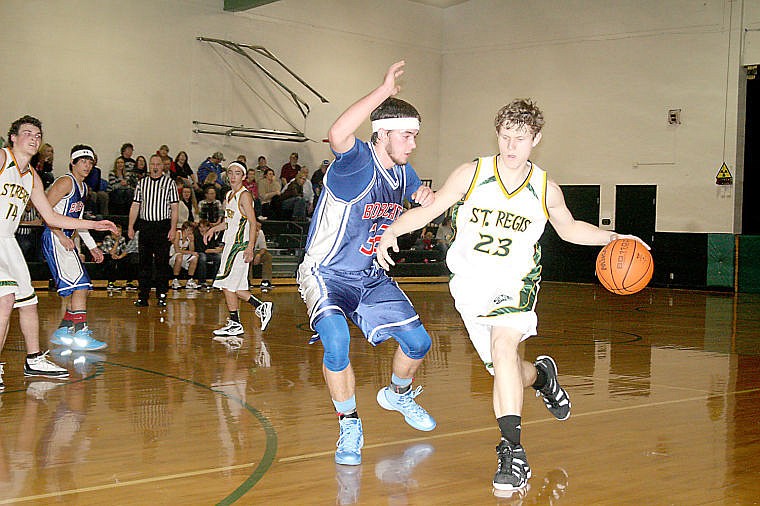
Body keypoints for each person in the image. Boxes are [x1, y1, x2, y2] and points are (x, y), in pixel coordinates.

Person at [376, 98, 650, 492]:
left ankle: (512, 452)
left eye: (520, 139)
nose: (510, 146)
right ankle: (542, 377)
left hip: (515, 282)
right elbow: (430, 211)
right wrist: (392, 229)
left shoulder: (544, 188)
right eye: (505, 137)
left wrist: (613, 237)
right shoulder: (472, 174)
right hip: (470, 286)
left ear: (535, 139)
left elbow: (569, 228)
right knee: (506, 370)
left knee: (504, 348)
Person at [296, 61, 436, 466]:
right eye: (406, 135)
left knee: (419, 343)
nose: (412, 144)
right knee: (336, 341)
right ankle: (349, 424)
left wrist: (426, 196)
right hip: (327, 272)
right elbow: (337, 133)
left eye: (415, 136)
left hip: (369, 276)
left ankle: (397, 394)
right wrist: (383, 91)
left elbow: (419, 195)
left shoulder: (404, 173)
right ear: (382, 133)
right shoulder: (357, 161)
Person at [0, 116, 116, 388]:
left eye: (38, 135)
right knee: (5, 299)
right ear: (13, 137)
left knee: (28, 302)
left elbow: (50, 216)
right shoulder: (3, 158)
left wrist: (93, 225)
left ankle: (34, 359)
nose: (34, 138)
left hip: (7, 241)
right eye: (27, 133)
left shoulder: (32, 177)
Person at [43, 144, 109, 351]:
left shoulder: (84, 188)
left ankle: (64, 330)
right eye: (83, 161)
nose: (87, 166)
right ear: (73, 162)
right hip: (55, 237)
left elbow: (78, 222)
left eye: (90, 162)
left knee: (82, 288)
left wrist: (92, 247)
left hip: (67, 238)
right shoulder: (65, 182)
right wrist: (60, 235)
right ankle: (80, 333)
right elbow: (44, 211)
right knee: (81, 286)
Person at [204, 162, 273, 338]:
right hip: (230, 244)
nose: (233, 176)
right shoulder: (229, 195)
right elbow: (230, 222)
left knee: (226, 284)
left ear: (243, 176)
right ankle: (260, 307)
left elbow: (253, 223)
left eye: (237, 173)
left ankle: (236, 323)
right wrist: (214, 229)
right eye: (231, 173)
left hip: (239, 246)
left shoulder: (245, 196)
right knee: (235, 287)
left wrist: (250, 247)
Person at [128, 153, 179, 307]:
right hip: (145, 226)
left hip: (162, 226)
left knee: (161, 262)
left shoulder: (170, 183)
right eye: (152, 164)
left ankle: (162, 294)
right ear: (149, 166)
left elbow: (174, 208)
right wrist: (130, 226)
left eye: (158, 164)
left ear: (163, 166)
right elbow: (135, 205)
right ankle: (143, 296)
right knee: (144, 263)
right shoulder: (142, 183)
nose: (155, 167)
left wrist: (173, 228)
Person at [170, 221, 200, 290]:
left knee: (195, 257)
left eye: (191, 230)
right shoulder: (178, 233)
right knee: (179, 256)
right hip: (173, 256)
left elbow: (192, 250)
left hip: (182, 255)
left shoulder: (189, 237)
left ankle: (190, 280)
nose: (190, 232)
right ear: (184, 229)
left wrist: (192, 241)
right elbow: (177, 250)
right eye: (188, 230)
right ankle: (175, 280)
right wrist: (191, 252)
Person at [100, 223, 130, 290]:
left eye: (120, 231)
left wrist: (120, 257)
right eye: (117, 231)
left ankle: (129, 283)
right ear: (112, 232)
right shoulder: (107, 238)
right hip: (106, 257)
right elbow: (111, 252)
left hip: (116, 257)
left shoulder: (122, 238)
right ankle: (110, 283)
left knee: (129, 260)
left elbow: (125, 250)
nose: (118, 233)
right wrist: (116, 242)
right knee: (111, 262)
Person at [194, 219, 222, 288]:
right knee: (202, 257)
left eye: (204, 227)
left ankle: (215, 280)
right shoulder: (197, 235)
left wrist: (218, 249)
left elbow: (212, 246)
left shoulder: (211, 234)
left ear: (208, 227)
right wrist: (215, 250)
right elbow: (203, 250)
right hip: (199, 253)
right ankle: (202, 281)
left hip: (209, 252)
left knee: (219, 257)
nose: (202, 229)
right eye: (200, 227)